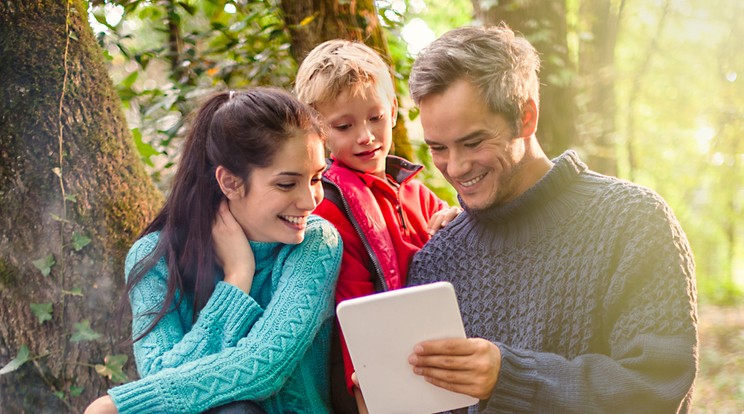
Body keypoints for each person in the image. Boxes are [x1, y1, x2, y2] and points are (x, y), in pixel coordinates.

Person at [402, 24, 698, 413]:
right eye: (439, 148)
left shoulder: (633, 222)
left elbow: (658, 386)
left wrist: (511, 378)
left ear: (526, 117)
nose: (455, 167)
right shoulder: (436, 261)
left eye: (473, 142)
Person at [84, 87, 343, 414]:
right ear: (231, 183)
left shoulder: (316, 245)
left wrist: (122, 406)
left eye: (317, 178)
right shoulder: (155, 258)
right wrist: (237, 278)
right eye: (286, 184)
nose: (310, 201)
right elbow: (160, 375)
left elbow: (265, 365)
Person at [293, 39, 461, 411]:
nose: (365, 136)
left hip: (437, 360)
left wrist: (457, 218)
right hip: (377, 380)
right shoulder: (329, 209)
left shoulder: (416, 192)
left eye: (375, 117)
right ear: (319, 133)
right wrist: (366, 395)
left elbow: (457, 241)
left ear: (395, 111)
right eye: (344, 125)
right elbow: (352, 313)